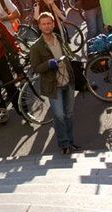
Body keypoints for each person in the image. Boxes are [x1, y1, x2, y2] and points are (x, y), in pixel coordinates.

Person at [29, 13, 82, 154]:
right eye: (44, 24)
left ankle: (71, 142)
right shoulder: (36, 47)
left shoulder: (58, 38)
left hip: (68, 81)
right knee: (59, 116)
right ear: (39, 26)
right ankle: (64, 144)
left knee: (69, 114)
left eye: (49, 23)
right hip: (53, 86)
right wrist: (48, 64)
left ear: (53, 24)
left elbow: (67, 55)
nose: (47, 26)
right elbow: (35, 68)